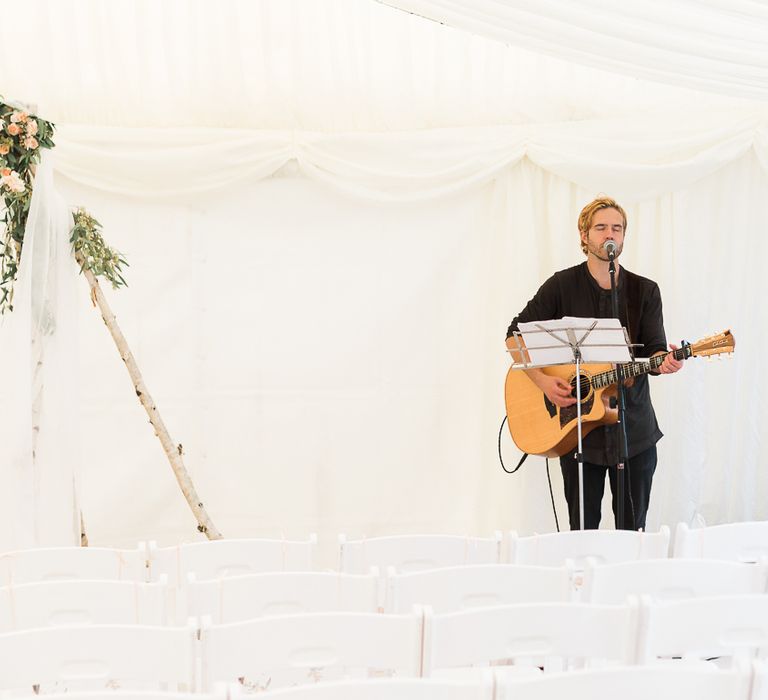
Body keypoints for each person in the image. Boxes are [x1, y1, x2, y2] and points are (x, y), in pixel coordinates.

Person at [505, 196, 683, 530]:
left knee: (633, 533)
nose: (609, 234)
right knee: (582, 533)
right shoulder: (561, 285)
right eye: (600, 227)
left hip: (633, 432)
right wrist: (543, 382)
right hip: (577, 432)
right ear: (584, 235)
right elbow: (514, 336)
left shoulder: (644, 291)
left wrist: (666, 361)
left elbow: (655, 352)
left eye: (617, 227)